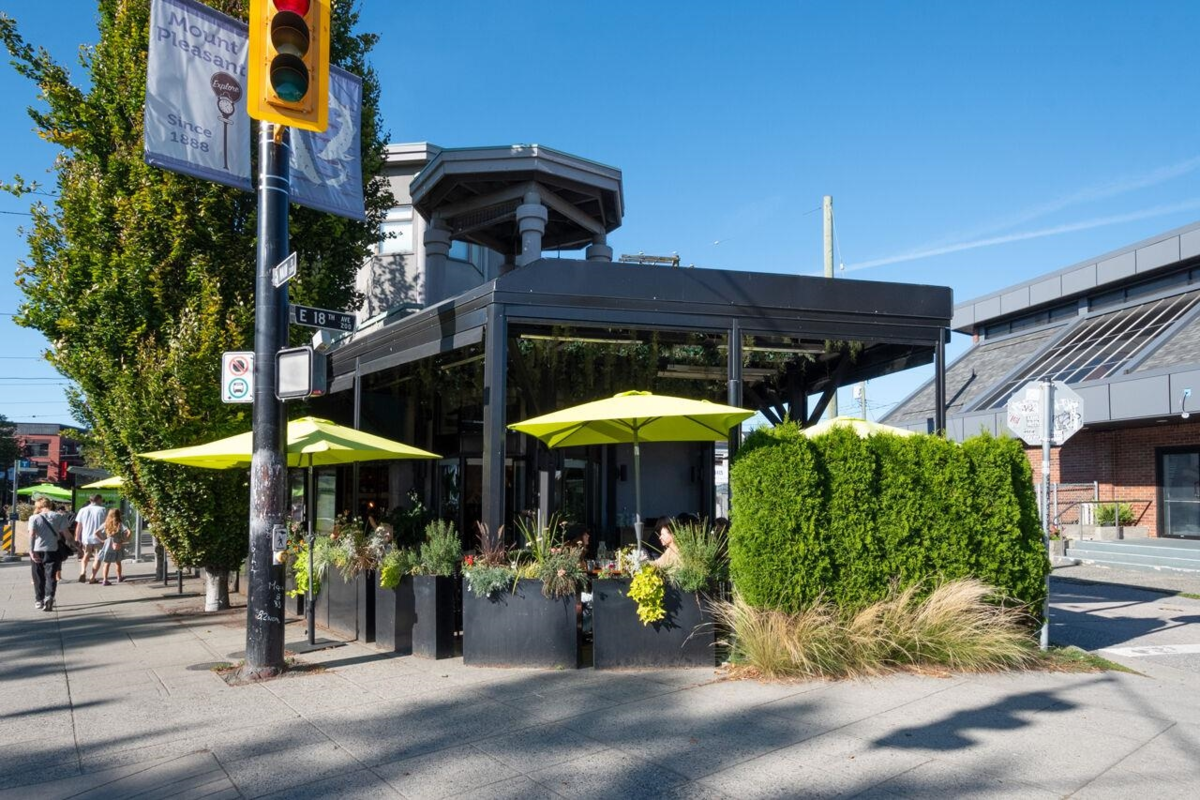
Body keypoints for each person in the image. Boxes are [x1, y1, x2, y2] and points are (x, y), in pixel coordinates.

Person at [28, 497, 62, 611]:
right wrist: (77, 547)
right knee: (51, 576)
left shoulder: (34, 518)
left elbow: (32, 535)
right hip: (53, 550)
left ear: (38, 506)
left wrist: (31, 551)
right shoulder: (59, 516)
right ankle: (49, 597)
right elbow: (66, 535)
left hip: (37, 550)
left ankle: (39, 600)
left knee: (38, 576)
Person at [74, 494, 107, 583]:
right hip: (99, 537)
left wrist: (77, 537)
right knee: (97, 557)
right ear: (99, 500)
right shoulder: (102, 509)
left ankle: (83, 570)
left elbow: (79, 525)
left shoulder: (83, 510)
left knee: (86, 554)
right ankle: (92, 577)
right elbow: (106, 524)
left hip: (86, 536)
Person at [93, 508, 129, 585]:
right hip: (117, 544)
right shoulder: (119, 524)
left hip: (107, 545)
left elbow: (96, 533)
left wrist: (102, 540)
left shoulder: (106, 523)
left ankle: (105, 580)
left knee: (106, 563)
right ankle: (119, 577)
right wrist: (124, 539)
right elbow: (128, 531)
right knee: (118, 562)